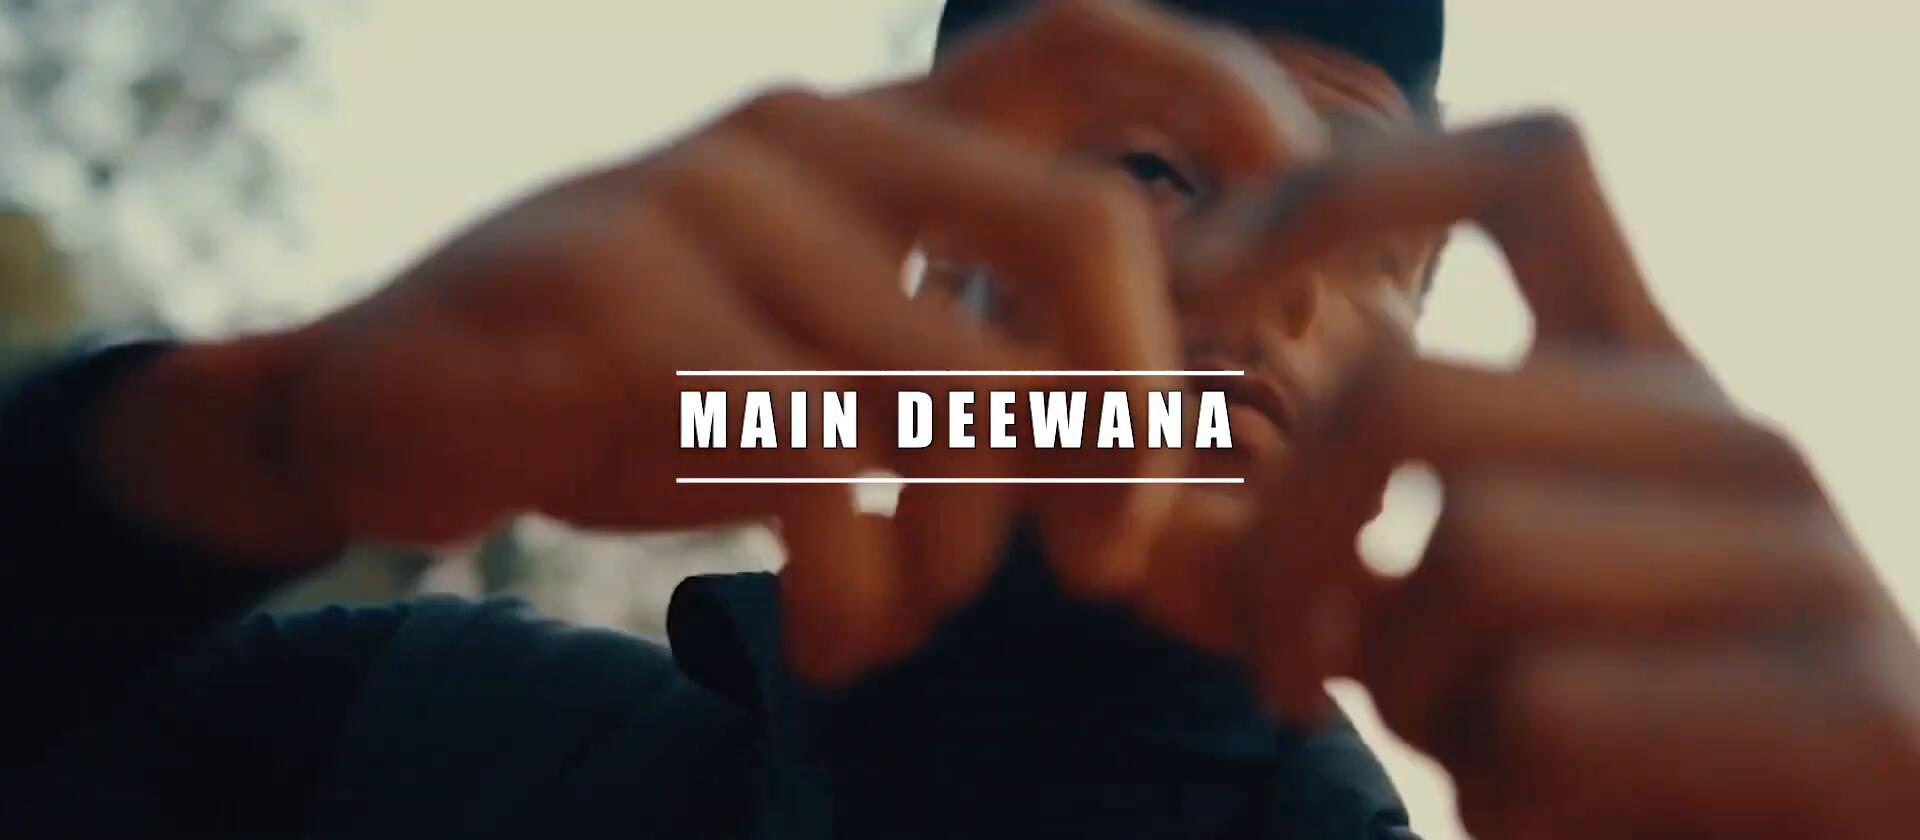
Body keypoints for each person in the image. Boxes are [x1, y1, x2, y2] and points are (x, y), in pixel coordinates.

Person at [2, 1, 1913, 838]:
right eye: (1157, 164)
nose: (1272, 275)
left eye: (1365, 225)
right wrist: (244, 442)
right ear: (931, 266)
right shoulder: (398, 745)